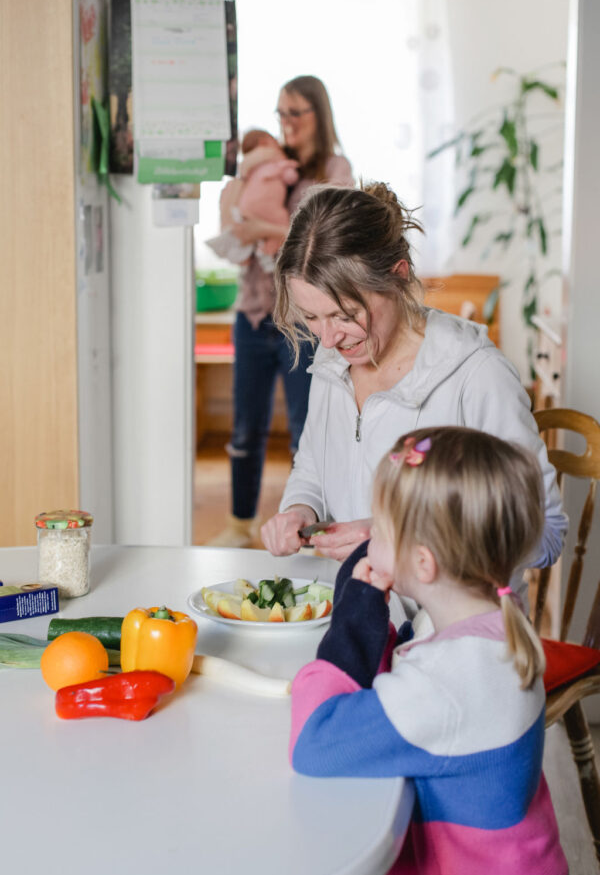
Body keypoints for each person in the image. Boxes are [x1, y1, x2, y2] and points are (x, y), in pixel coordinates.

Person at [260, 182, 567, 599]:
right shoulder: (333, 364)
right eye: (311, 317)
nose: (327, 339)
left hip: (458, 639)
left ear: (398, 276)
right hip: (358, 616)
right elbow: (313, 467)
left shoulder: (476, 376)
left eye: (345, 314)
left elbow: (544, 532)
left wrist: (399, 541)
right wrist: (299, 510)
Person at [289, 427, 568, 875]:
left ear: (423, 563)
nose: (366, 537)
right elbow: (405, 687)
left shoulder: (450, 680)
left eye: (377, 528)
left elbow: (314, 745)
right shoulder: (493, 624)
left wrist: (352, 620)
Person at [207, 76, 353, 548]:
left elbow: (330, 241)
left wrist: (265, 226)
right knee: (245, 429)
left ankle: (306, 529)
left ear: (319, 115)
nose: (286, 124)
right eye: (281, 114)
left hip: (307, 326)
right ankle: (239, 524)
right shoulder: (266, 165)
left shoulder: (335, 168)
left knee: (304, 433)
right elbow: (234, 236)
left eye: (296, 113)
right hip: (253, 315)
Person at [205, 128, 299, 272]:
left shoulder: (282, 166)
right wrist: (243, 172)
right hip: (254, 286)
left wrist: (263, 230)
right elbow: (231, 229)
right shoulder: (237, 183)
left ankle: (265, 251)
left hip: (284, 280)